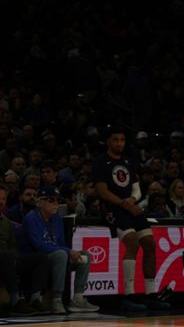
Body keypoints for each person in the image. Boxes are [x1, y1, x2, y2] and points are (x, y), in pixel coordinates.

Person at [93, 125, 167, 312]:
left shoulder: (128, 161)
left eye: (122, 140)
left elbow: (137, 189)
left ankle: (151, 294)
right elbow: (102, 191)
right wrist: (125, 204)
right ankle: (129, 294)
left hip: (130, 207)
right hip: (111, 208)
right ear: (108, 141)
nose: (119, 143)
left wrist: (132, 201)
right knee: (132, 242)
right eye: (116, 140)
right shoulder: (101, 161)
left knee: (150, 243)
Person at [21, 186, 99, 314]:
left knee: (85, 256)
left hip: (57, 255)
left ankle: (78, 299)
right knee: (61, 254)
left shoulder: (57, 218)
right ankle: (57, 300)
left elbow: (60, 243)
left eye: (57, 200)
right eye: (51, 200)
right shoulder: (31, 218)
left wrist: (71, 252)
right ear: (40, 202)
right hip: (37, 258)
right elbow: (39, 245)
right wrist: (68, 251)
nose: (56, 204)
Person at [0, 184, 48, 316]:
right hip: (3, 258)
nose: (1, 201)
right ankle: (15, 301)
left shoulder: (6, 222)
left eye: (3, 198)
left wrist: (14, 258)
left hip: (7, 260)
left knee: (40, 258)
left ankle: (35, 299)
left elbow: (12, 245)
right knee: (7, 257)